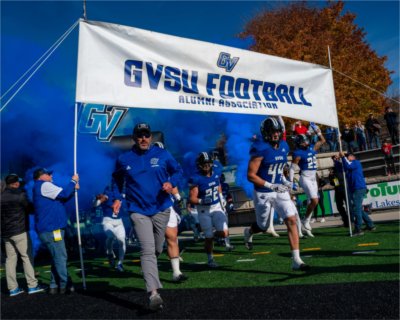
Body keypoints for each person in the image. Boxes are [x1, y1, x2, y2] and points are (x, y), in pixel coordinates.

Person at [112, 123, 183, 311]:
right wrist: (118, 198)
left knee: (157, 248)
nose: (143, 139)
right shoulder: (123, 159)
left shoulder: (163, 155)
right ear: (134, 138)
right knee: (147, 249)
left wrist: (170, 182)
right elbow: (116, 180)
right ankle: (153, 293)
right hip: (137, 210)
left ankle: (151, 268)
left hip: (161, 208)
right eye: (140, 135)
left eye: (146, 135)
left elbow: (178, 171)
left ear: (150, 137)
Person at [245, 117, 309, 271]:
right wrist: (270, 185)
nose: (275, 134)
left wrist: (285, 180)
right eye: (272, 131)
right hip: (263, 192)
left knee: (291, 220)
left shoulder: (284, 146)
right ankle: (249, 231)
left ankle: (296, 260)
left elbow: (279, 168)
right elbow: (251, 175)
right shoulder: (260, 148)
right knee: (263, 226)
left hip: (279, 190)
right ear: (265, 133)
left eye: (277, 131)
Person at [33, 168, 79, 294]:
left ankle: (54, 285)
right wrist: (73, 181)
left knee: (56, 257)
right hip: (52, 229)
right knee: (61, 256)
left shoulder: (42, 187)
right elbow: (64, 194)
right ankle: (66, 283)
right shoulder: (45, 185)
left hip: (51, 229)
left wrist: (73, 189)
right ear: (41, 176)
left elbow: (62, 198)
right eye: (48, 174)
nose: (51, 175)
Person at [1, 174, 46, 296]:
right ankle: (32, 285)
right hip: (20, 231)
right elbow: (31, 209)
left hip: (5, 233)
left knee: (10, 260)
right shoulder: (20, 195)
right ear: (15, 183)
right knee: (27, 257)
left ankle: (13, 288)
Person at [189, 152, 234, 269]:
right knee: (208, 237)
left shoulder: (216, 173)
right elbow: (192, 198)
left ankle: (211, 235)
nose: (206, 166)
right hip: (204, 210)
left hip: (216, 207)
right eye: (204, 163)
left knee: (224, 233)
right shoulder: (196, 178)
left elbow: (218, 185)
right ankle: (210, 259)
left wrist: (221, 197)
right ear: (199, 164)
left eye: (208, 163)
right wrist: (201, 201)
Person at [152, 141, 187, 282]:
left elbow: (173, 180)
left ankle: (176, 272)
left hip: (167, 204)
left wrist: (177, 196)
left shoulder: (167, 164)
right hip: (150, 206)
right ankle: (149, 263)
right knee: (156, 244)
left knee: (172, 237)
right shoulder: (145, 166)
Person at [289, 124, 326, 238]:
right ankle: (305, 220)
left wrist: (317, 131)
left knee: (313, 200)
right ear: (300, 143)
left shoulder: (312, 148)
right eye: (304, 141)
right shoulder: (298, 153)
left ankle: (306, 222)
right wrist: (290, 182)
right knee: (315, 200)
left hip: (313, 178)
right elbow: (292, 168)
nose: (307, 142)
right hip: (305, 177)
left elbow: (322, 140)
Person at [339, 152, 376, 236]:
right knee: (358, 208)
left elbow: (348, 166)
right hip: (355, 189)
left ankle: (358, 228)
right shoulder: (349, 165)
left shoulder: (356, 162)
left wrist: (343, 157)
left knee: (356, 209)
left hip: (358, 188)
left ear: (353, 157)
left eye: (348, 156)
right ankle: (370, 225)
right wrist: (338, 160)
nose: (347, 158)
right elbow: (343, 168)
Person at [94, 184, 126, 272]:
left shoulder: (121, 195)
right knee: (111, 237)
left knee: (122, 241)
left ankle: (120, 263)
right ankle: (109, 252)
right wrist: (97, 199)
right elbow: (95, 204)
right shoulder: (106, 195)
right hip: (108, 221)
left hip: (119, 221)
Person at [329, 157, 349, 228]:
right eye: (333, 159)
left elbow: (342, 178)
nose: (334, 160)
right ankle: (346, 220)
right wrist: (331, 177)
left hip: (344, 188)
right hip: (338, 189)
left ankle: (351, 221)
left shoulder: (342, 167)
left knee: (348, 205)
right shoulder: (333, 170)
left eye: (335, 159)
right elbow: (333, 182)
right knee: (339, 206)